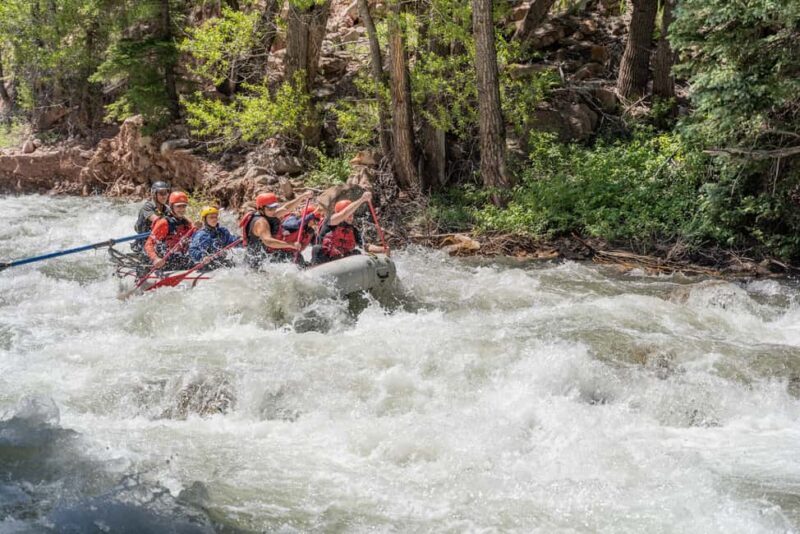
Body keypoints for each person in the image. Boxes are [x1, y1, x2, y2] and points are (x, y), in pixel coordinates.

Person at [312, 192, 386, 265]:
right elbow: (343, 214)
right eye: (349, 215)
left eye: (352, 214)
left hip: (341, 260)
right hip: (325, 259)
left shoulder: (353, 230)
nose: (351, 217)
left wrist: (381, 249)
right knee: (317, 248)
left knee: (357, 252)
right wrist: (362, 199)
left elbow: (365, 246)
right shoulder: (330, 221)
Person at [238, 192, 301, 268]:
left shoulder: (268, 214)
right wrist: (290, 244)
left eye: (275, 207)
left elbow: (286, 208)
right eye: (270, 208)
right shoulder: (261, 222)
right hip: (254, 263)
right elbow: (268, 241)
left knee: (292, 256)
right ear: (261, 208)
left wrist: (303, 197)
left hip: (263, 258)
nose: (273, 210)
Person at [144, 191, 195, 271]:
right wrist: (155, 258)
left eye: (184, 206)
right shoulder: (164, 223)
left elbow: (197, 236)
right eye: (178, 206)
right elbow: (149, 244)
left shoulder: (187, 222)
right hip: (164, 259)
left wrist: (198, 228)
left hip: (181, 256)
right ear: (171, 206)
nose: (181, 209)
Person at [188, 206, 239, 271]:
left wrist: (241, 240)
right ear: (204, 219)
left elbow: (232, 240)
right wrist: (202, 257)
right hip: (206, 266)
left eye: (215, 217)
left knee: (232, 264)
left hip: (220, 263)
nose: (214, 219)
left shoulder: (222, 231)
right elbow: (192, 250)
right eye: (211, 217)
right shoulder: (200, 235)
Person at [132, 181, 171, 253]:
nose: (164, 196)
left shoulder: (167, 208)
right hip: (143, 242)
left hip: (157, 242)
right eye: (161, 193)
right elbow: (157, 220)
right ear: (154, 194)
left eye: (166, 193)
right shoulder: (147, 207)